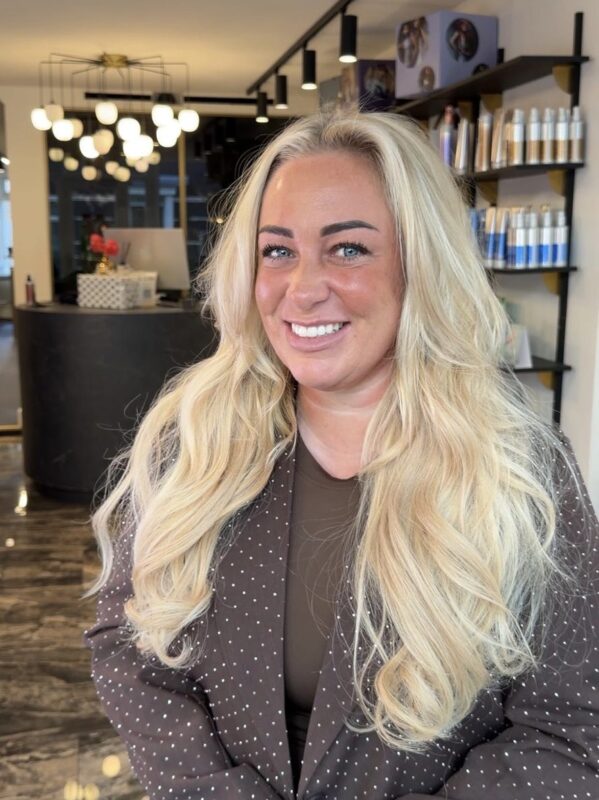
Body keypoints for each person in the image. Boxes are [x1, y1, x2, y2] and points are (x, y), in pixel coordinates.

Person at [83, 111, 599, 800]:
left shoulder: (523, 469)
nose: (302, 289)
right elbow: (127, 646)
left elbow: (570, 727)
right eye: (277, 251)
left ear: (420, 265)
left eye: (348, 248)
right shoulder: (195, 440)